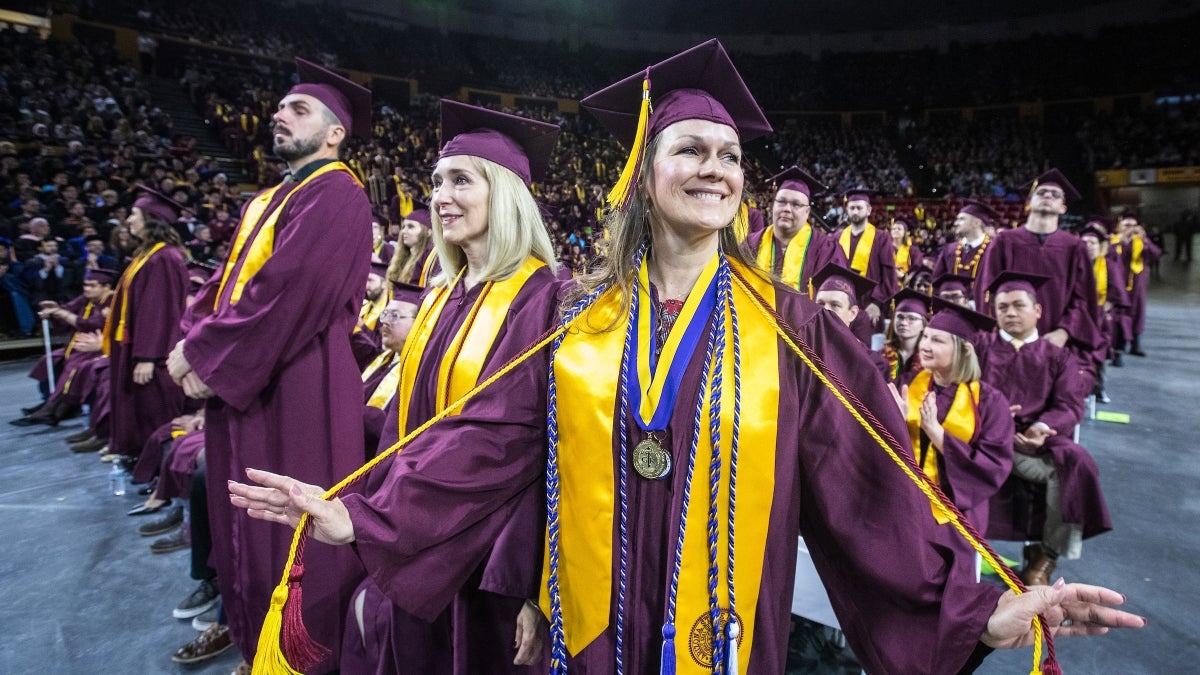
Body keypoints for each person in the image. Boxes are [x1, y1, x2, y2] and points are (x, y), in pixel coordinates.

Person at [230, 40, 1142, 675]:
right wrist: (366, 516)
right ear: (644, 170)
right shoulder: (573, 319)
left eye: (731, 155)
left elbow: (874, 486)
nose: (716, 167)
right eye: (691, 149)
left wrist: (982, 608)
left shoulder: (793, 328)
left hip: (727, 639)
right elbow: (487, 442)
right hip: (589, 632)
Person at [166, 58, 376, 673]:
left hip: (300, 382)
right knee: (245, 522)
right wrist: (191, 344)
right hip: (254, 381)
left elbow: (289, 293)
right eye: (280, 108)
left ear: (336, 132)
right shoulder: (271, 199)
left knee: (287, 531)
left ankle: (298, 655)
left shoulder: (339, 193)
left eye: (299, 109)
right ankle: (252, 638)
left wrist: (204, 355)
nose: (279, 116)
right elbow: (227, 288)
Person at [337, 100, 561, 674]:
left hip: (490, 554)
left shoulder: (547, 298)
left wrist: (378, 519)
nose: (441, 196)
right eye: (437, 181)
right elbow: (400, 428)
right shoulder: (441, 294)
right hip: (418, 532)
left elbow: (507, 446)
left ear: (507, 194)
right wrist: (378, 511)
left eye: (462, 180)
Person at [977, 272, 1111, 587]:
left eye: (1018, 306)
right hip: (984, 441)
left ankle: (1047, 555)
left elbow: (1069, 405)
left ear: (1037, 311)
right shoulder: (979, 347)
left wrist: (1042, 426)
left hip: (1034, 443)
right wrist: (995, 421)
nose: (1009, 312)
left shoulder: (1059, 356)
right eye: (1002, 307)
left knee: (1074, 464)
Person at [889, 299, 1014, 536]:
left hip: (956, 510)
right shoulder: (908, 383)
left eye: (937, 340)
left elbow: (993, 466)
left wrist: (938, 435)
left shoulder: (989, 402)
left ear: (965, 349)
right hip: (901, 495)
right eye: (925, 337)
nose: (924, 345)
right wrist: (896, 422)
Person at [974, 169, 1104, 380]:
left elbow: (1082, 299)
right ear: (1029, 202)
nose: (1048, 196)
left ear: (1063, 207)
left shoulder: (1074, 247)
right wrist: (1001, 332)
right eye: (1042, 192)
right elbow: (986, 290)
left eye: (1055, 195)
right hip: (1007, 340)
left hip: (1055, 342)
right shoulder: (1004, 241)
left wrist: (1065, 332)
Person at [103, 186, 189, 462]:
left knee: (155, 407)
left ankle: (158, 467)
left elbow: (159, 311)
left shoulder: (164, 258)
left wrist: (148, 357)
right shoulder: (148, 255)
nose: (128, 221)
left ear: (151, 219)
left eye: (134, 214)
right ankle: (139, 455)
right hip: (135, 344)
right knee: (139, 404)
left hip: (153, 351)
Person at [11, 268, 114, 426]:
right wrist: (55, 310)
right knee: (50, 360)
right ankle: (49, 400)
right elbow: (67, 309)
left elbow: (95, 325)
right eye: (85, 285)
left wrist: (63, 314)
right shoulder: (86, 299)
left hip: (102, 348)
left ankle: (56, 408)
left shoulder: (114, 301)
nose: (87, 289)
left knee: (74, 365)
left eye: (92, 285)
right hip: (78, 346)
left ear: (106, 287)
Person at [743, 166, 840, 293]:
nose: (787, 209)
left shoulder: (827, 249)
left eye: (796, 204)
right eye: (781, 202)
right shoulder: (751, 244)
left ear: (807, 212)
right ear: (773, 206)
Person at [359, 283, 420, 455]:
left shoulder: (419, 373)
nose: (384, 321)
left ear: (420, 323)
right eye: (385, 313)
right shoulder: (384, 360)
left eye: (395, 315)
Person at [810, 262, 889, 378]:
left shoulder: (874, 365)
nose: (825, 310)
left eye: (835, 305)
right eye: (820, 303)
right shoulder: (802, 350)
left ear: (852, 313)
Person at [1079, 222, 1128, 403]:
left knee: (1099, 354)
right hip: (1077, 317)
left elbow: (1116, 292)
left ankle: (1098, 388)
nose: (1089, 246)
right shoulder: (1075, 263)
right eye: (1085, 242)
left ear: (1100, 246)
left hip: (1100, 319)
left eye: (1093, 243)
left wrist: (1099, 310)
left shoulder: (1108, 265)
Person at [835, 188, 896, 327]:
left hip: (869, 307)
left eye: (859, 208)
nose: (855, 211)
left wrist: (877, 302)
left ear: (868, 210)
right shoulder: (837, 238)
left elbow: (888, 274)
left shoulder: (881, 238)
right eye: (852, 208)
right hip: (842, 305)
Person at [1113, 214, 1161, 357]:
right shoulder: (1114, 242)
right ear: (1119, 227)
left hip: (1137, 289)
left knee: (1138, 315)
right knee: (1119, 317)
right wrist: (1122, 241)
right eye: (1127, 225)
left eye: (1134, 226)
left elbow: (1156, 254)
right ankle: (1118, 349)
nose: (1131, 229)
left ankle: (1136, 345)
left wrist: (1144, 239)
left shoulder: (1141, 244)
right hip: (1118, 287)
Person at [932, 199, 998, 290]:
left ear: (976, 223)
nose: (955, 223)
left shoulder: (994, 250)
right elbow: (936, 282)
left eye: (961, 219)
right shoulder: (949, 250)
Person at [881, 288, 931, 386]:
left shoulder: (930, 358)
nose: (904, 323)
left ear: (923, 325)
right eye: (900, 317)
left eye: (912, 318)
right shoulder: (881, 356)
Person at [387, 207, 438, 286]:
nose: (403, 231)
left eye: (411, 227)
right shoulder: (401, 259)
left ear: (428, 232)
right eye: (403, 227)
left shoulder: (431, 260)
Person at [889, 214, 923, 279]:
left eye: (899, 229)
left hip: (905, 283)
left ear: (905, 232)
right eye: (893, 229)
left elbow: (917, 266)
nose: (896, 230)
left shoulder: (913, 250)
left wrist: (904, 277)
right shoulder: (885, 248)